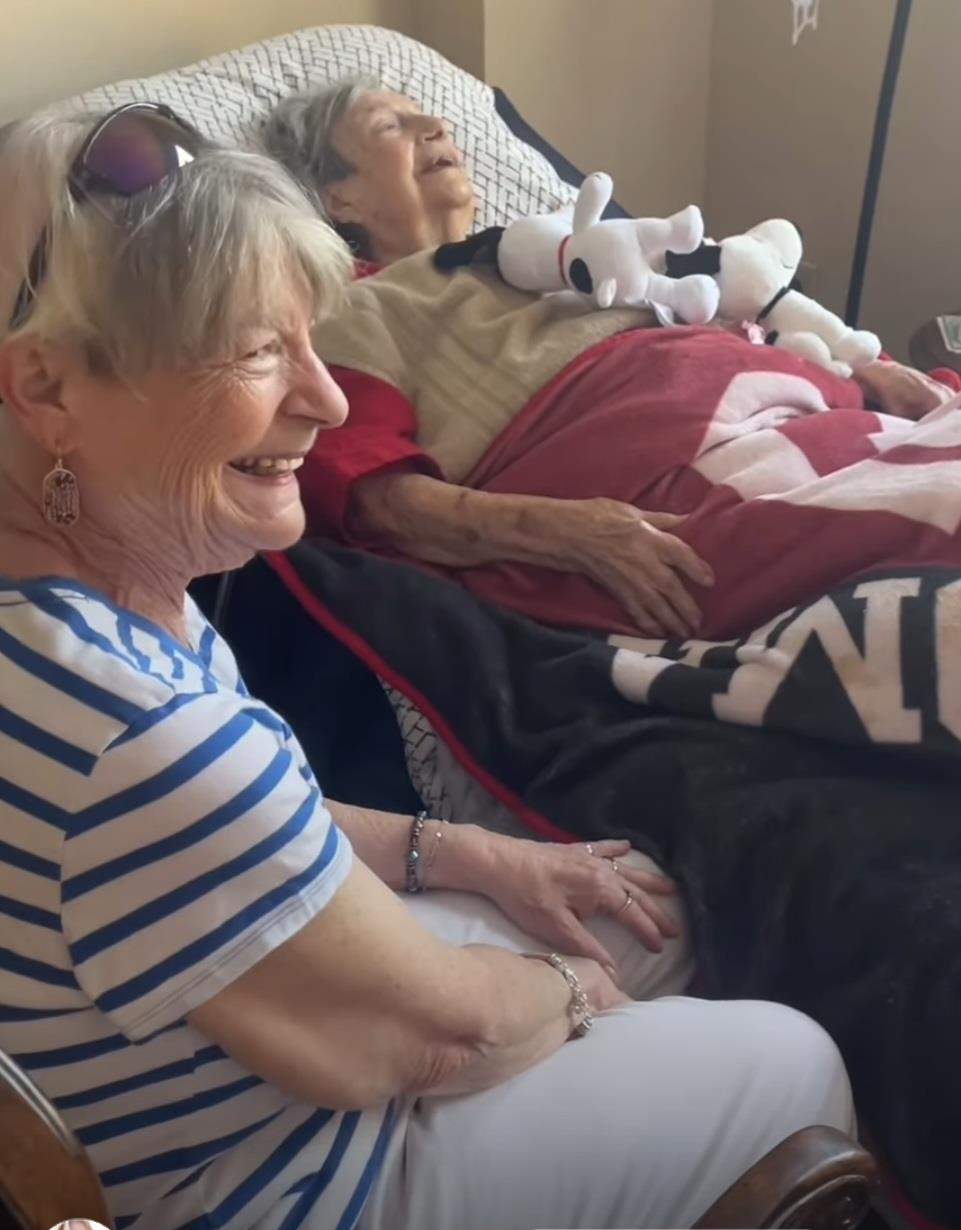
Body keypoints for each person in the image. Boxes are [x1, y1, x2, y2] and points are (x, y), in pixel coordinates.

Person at [0, 104, 855, 1230]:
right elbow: (432, 1034)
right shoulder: (136, 736)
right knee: (791, 1064)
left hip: (197, 1055)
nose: (329, 398)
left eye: (313, 337)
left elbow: (245, 829)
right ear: (49, 389)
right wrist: (561, 1002)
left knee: (645, 916)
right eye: (259, 349)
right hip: (279, 1181)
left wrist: (468, 855)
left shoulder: (70, 610)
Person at [265, 82, 961, 641]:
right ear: (339, 197)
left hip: (800, 404)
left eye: (431, 117)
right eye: (391, 125)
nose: (435, 129)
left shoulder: (588, 250)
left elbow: (755, 312)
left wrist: (859, 366)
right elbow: (370, 495)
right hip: (660, 472)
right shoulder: (359, 306)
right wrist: (571, 532)